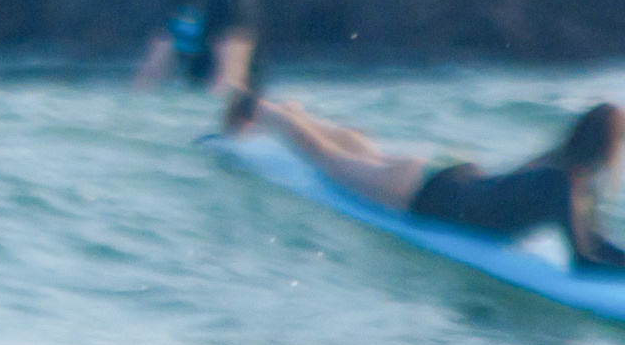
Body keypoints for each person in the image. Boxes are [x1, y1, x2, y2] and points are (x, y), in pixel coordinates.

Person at [230, 89, 625, 268]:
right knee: (327, 160)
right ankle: (264, 111)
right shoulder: (564, 186)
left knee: (364, 155)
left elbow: (593, 243)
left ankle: (298, 113)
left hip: (449, 177)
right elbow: (583, 261)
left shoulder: (564, 176)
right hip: (427, 193)